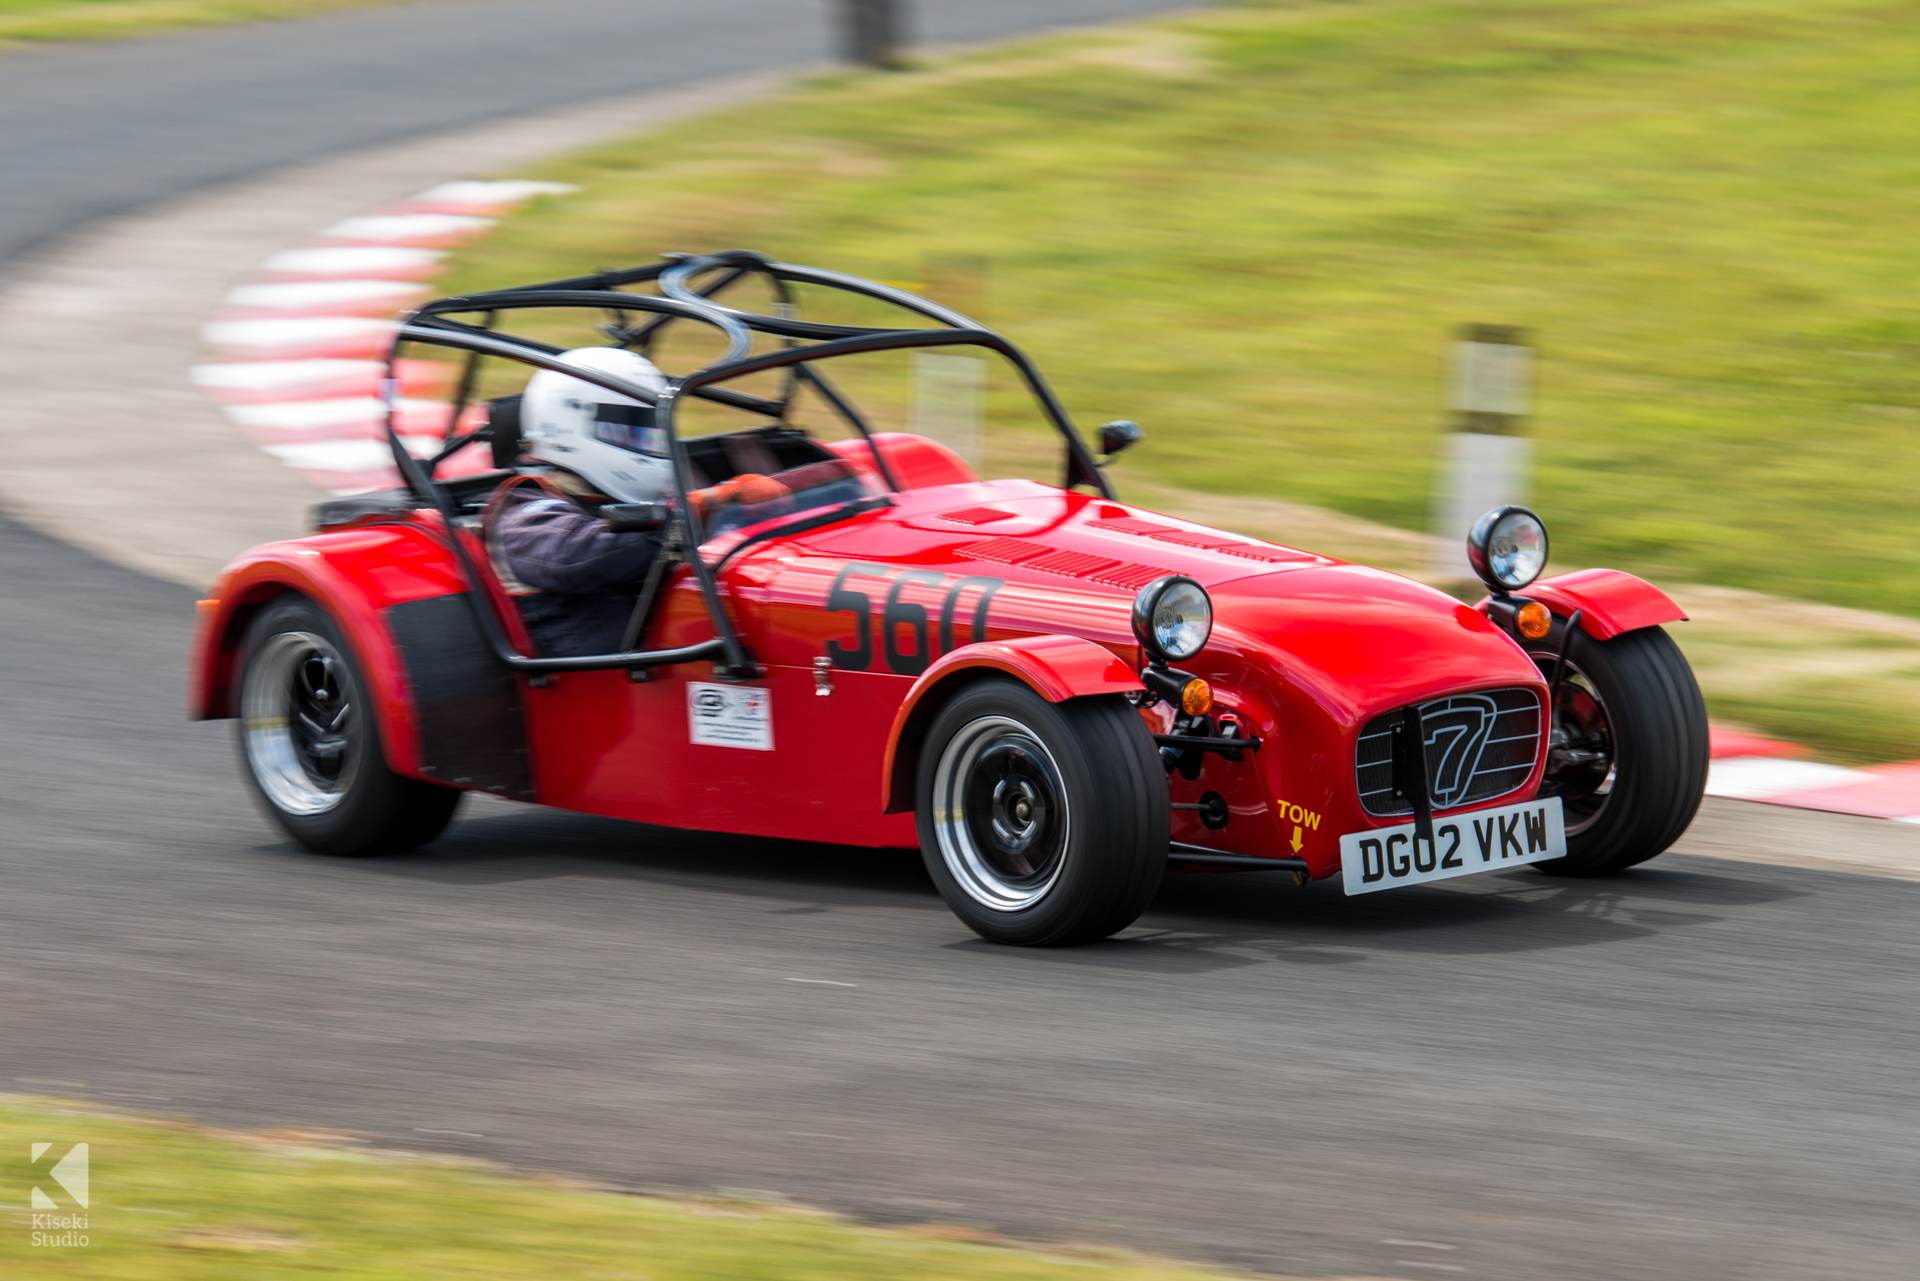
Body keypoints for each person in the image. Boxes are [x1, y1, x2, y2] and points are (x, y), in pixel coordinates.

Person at [481, 346, 788, 657]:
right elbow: (578, 554)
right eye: (627, 431)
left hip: (677, 665)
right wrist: (695, 509)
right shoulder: (524, 512)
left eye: (649, 433)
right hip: (601, 691)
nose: (644, 443)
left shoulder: (630, 500)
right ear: (565, 428)